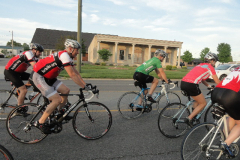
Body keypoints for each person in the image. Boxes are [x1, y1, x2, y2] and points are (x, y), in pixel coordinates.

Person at [31, 39, 91, 134]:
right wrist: (84, 87)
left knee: (66, 90)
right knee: (57, 99)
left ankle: (59, 114)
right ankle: (40, 122)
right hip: (39, 77)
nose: (78, 52)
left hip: (50, 78)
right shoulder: (64, 56)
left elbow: (76, 72)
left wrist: (85, 84)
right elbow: (72, 75)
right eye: (77, 50)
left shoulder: (68, 57)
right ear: (70, 49)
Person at [180, 52, 221, 126]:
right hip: (191, 84)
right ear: (212, 60)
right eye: (215, 61)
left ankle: (194, 116)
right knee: (203, 103)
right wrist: (227, 87)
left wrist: (208, 85)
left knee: (197, 100)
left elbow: (201, 79)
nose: (215, 63)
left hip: (183, 82)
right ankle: (189, 118)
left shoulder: (200, 65)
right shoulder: (210, 67)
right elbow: (217, 81)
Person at [211, 66, 240, 158]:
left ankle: (223, 138)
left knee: (233, 115)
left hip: (216, 91)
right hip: (231, 94)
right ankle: (225, 144)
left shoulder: (237, 68)